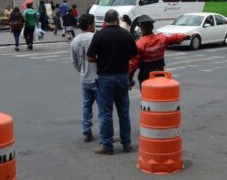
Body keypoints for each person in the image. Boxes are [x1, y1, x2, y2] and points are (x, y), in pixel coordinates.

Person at [86, 9, 138, 155]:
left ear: (105, 21)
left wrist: (101, 61)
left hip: (105, 78)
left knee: (105, 113)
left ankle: (107, 145)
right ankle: (126, 144)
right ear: (117, 19)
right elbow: (135, 55)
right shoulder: (126, 35)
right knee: (123, 112)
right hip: (122, 77)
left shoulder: (99, 35)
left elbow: (90, 57)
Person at [128, 15, 188, 88]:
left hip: (145, 76)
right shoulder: (161, 38)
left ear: (141, 28)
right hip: (160, 74)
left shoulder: (139, 44)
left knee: (147, 97)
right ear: (152, 27)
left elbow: (133, 64)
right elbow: (173, 38)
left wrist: (129, 78)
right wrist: (186, 36)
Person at [71, 13, 97, 142]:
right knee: (103, 107)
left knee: (87, 105)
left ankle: (86, 130)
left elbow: (74, 62)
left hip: (84, 77)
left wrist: (82, 70)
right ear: (90, 25)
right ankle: (104, 132)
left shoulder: (75, 40)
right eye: (93, 23)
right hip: (98, 76)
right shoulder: (95, 37)